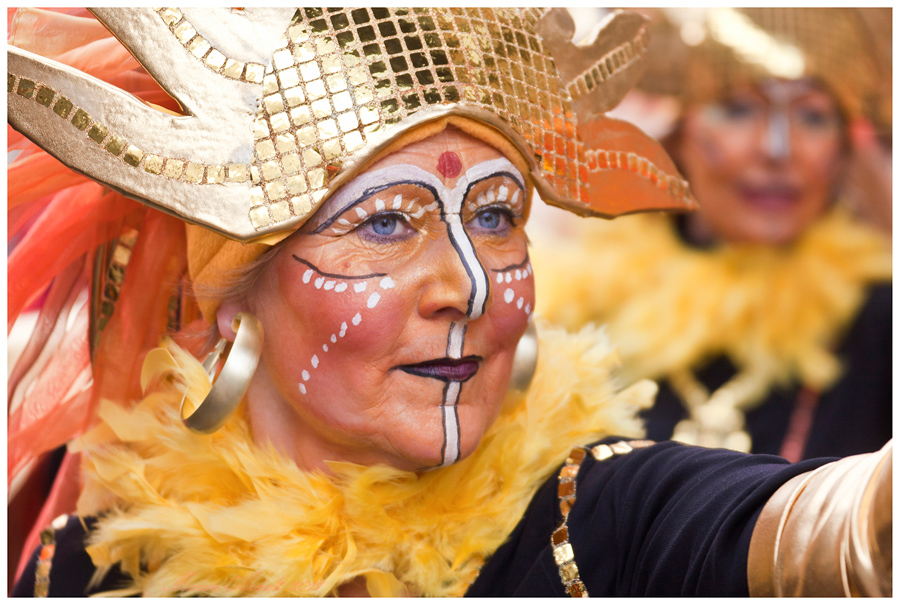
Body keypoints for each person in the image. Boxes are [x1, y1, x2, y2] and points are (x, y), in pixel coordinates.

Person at [8, 7, 891, 597]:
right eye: (387, 223)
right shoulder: (91, 569)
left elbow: (842, 530)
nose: (468, 285)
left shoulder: (599, 519)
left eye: (497, 216)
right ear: (235, 305)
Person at [534, 7, 891, 461]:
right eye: (737, 108)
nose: (776, 150)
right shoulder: (580, 309)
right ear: (680, 131)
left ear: (843, 151)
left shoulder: (881, 322)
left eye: (814, 117)